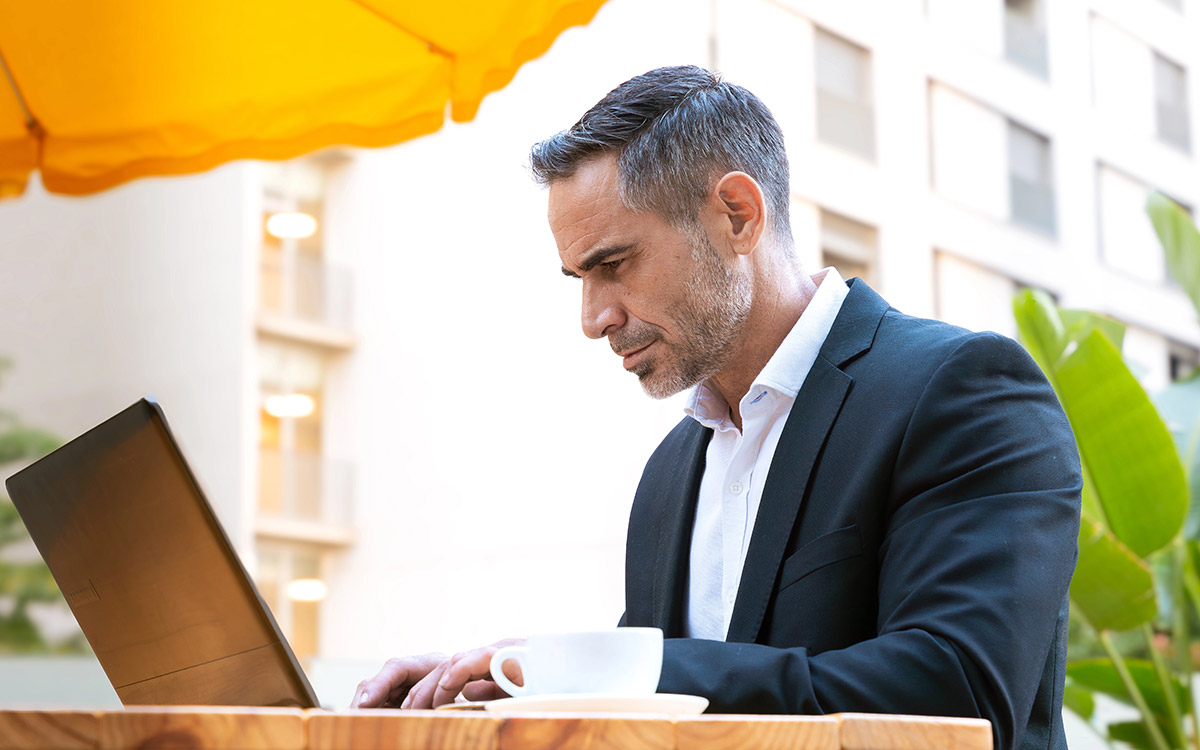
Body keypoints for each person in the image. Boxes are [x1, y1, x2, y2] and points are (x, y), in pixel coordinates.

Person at [353, 65, 1081, 750]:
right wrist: (502, 688)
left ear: (737, 215)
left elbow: (956, 695)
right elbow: (653, 711)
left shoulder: (962, 390)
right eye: (579, 278)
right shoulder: (669, 474)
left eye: (613, 264)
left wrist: (638, 674)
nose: (593, 318)